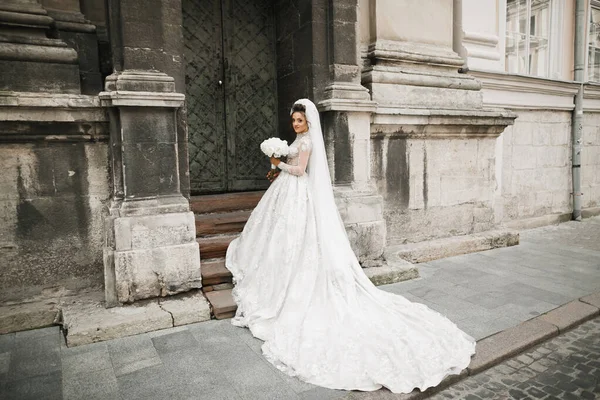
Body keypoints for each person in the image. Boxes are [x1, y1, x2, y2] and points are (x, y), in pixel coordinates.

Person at [225, 99, 476, 394]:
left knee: (298, 237)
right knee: (280, 235)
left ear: (308, 122)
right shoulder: (298, 139)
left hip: (297, 190)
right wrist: (277, 160)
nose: (296, 125)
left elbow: (301, 170)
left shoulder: (306, 144)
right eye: (293, 121)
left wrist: (279, 163)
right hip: (286, 192)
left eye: (300, 121)